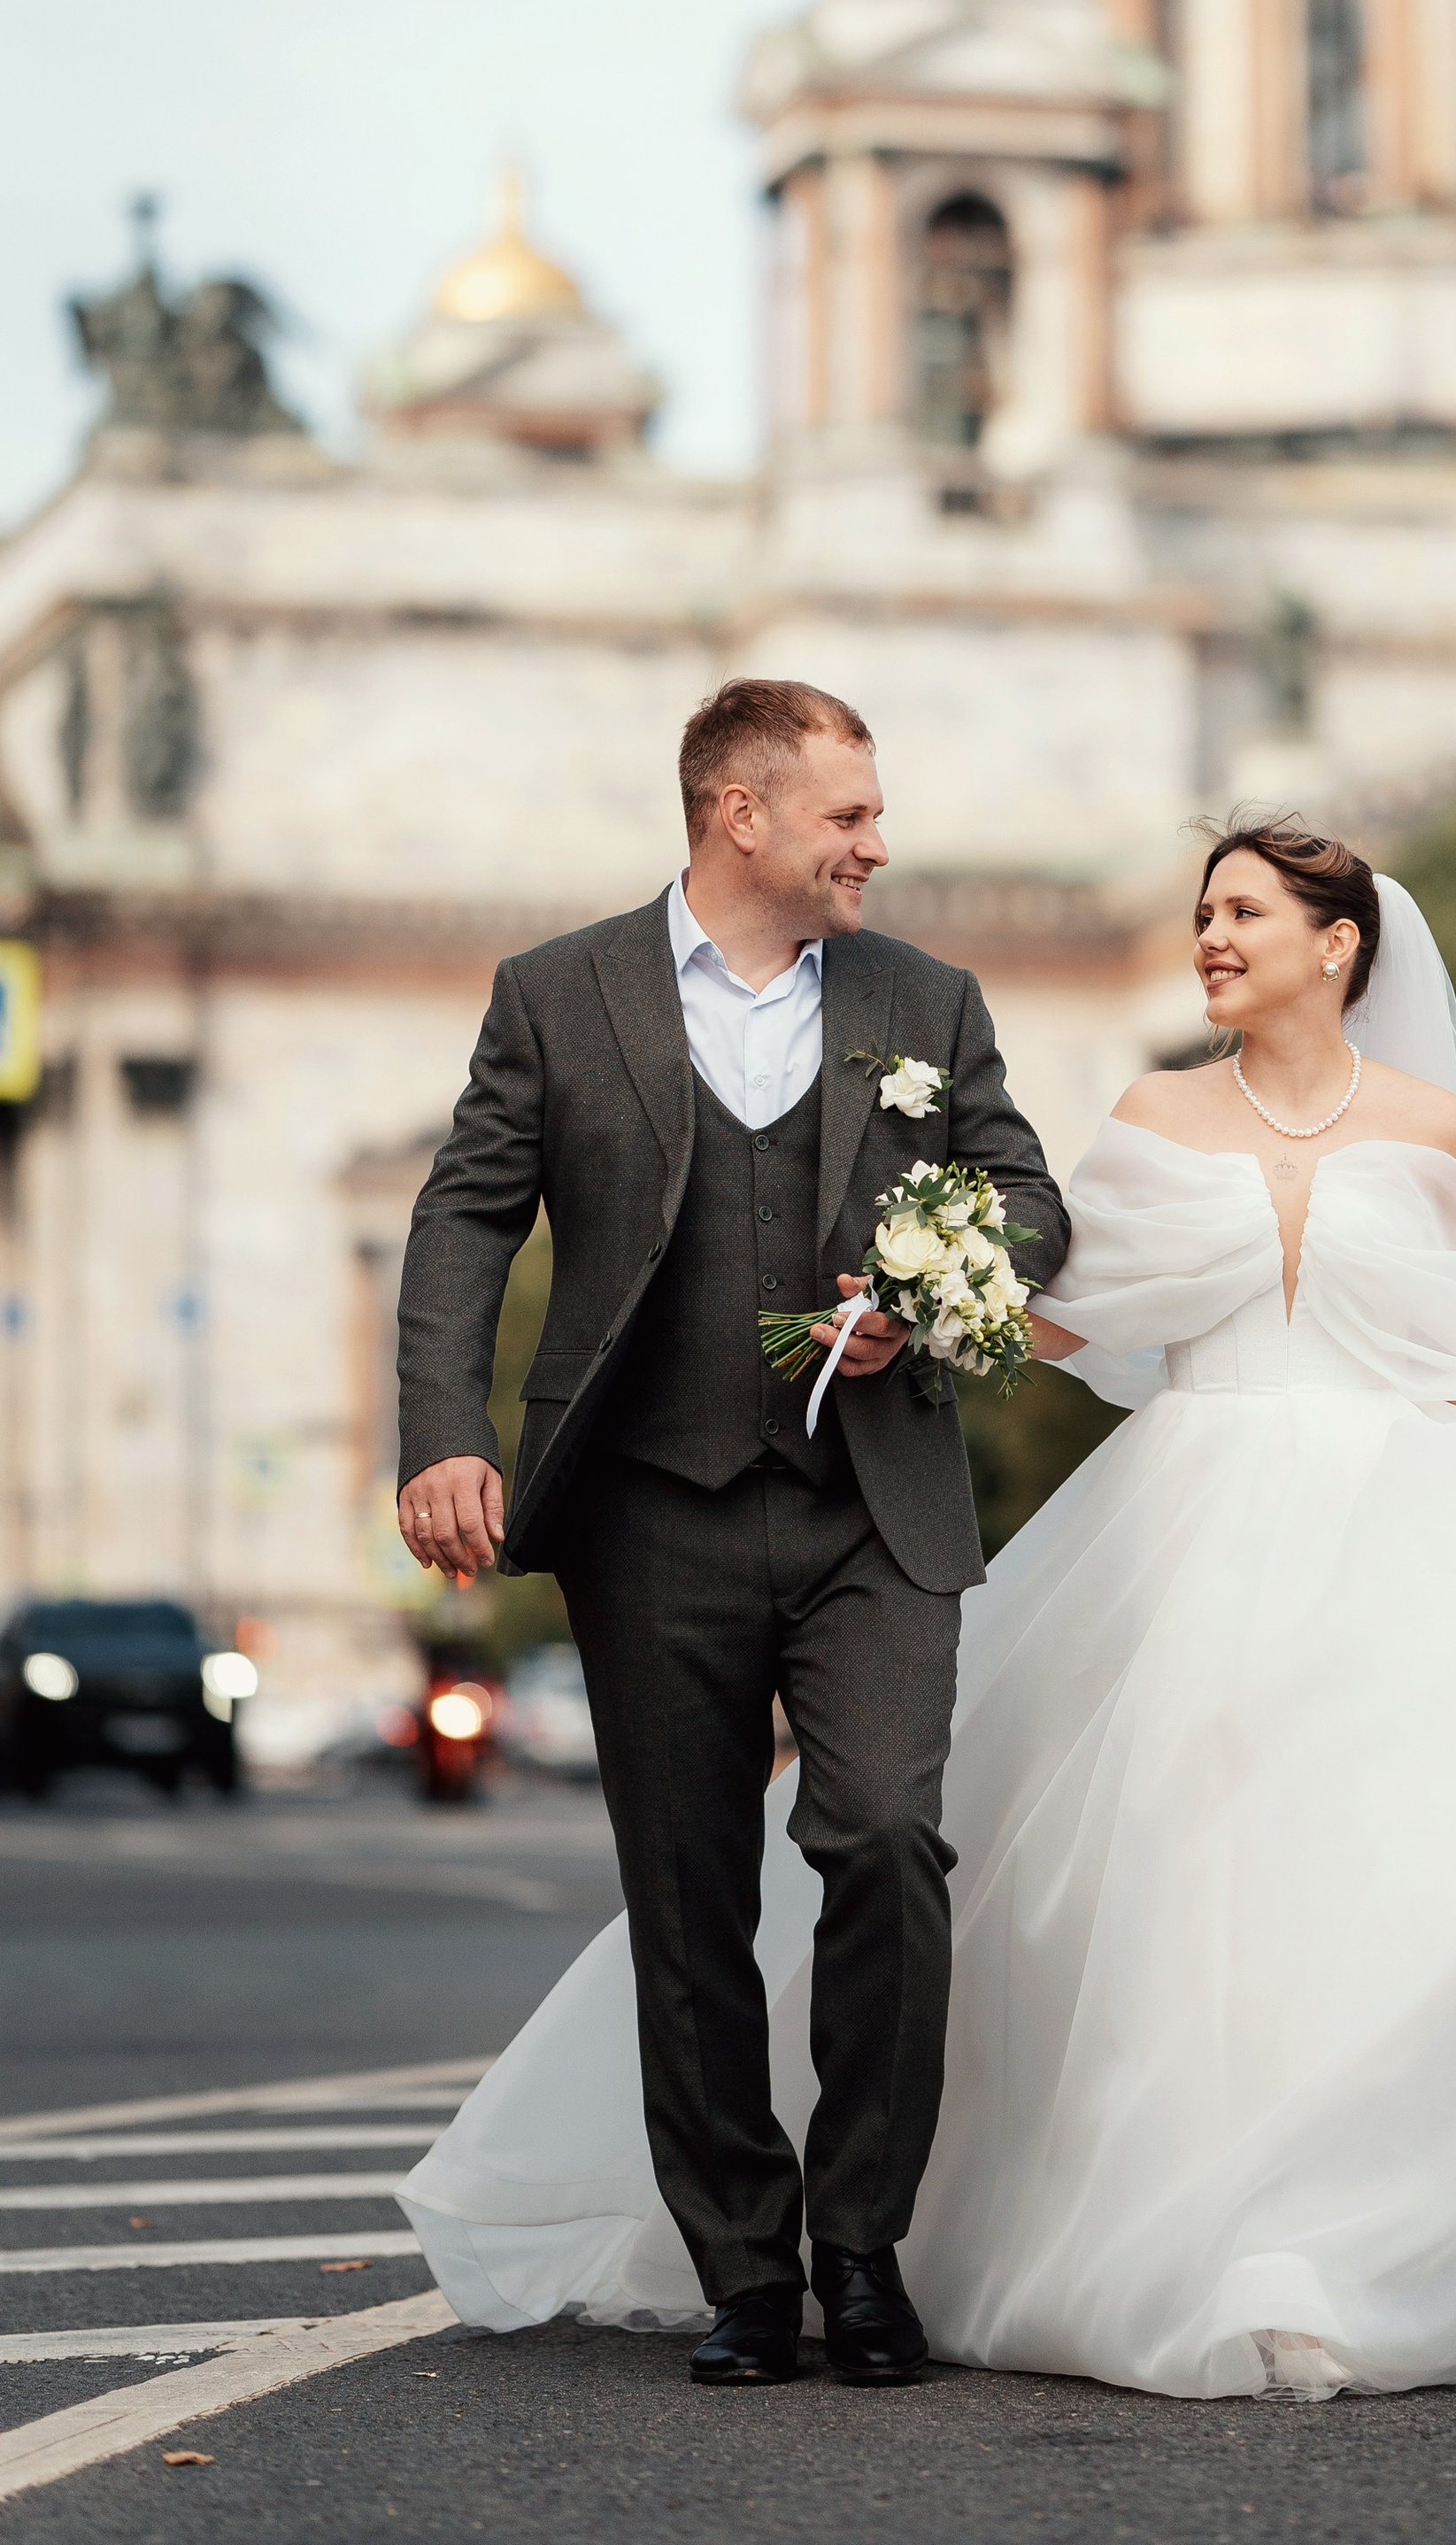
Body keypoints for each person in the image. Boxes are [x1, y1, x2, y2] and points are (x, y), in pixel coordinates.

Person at [402, 815, 1456, 2394]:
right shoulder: (1151, 1114)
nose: (1212, 937)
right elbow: (1060, 1315)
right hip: (1197, 1514)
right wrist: (932, 1304)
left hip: (1401, 1517)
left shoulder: (1436, 1125)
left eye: (1245, 914)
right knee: (1190, 1883)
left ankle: (1451, 2210)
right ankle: (1148, 2225)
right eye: (1204, 913)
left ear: (1338, 945)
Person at [391, 678, 1067, 2390]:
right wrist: (442, 1437)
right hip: (648, 1515)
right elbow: (467, 1214)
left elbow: (1033, 1197)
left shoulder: (931, 996)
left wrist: (951, 1277)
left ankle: (864, 2244)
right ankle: (745, 2269)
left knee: (886, 1845)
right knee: (686, 1899)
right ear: (739, 814)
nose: (876, 843)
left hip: (874, 1512)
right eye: (849, 815)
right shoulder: (558, 995)